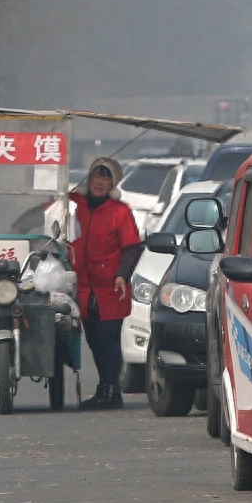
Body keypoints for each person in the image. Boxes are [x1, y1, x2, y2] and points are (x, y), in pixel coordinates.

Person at [69, 157, 143, 409]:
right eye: (95, 176)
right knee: (92, 338)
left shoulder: (120, 212)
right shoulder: (74, 205)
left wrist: (122, 274)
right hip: (83, 286)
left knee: (107, 339)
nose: (99, 182)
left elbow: (132, 248)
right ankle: (104, 387)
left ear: (113, 183)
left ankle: (111, 390)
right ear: (87, 179)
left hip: (110, 287)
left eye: (105, 178)